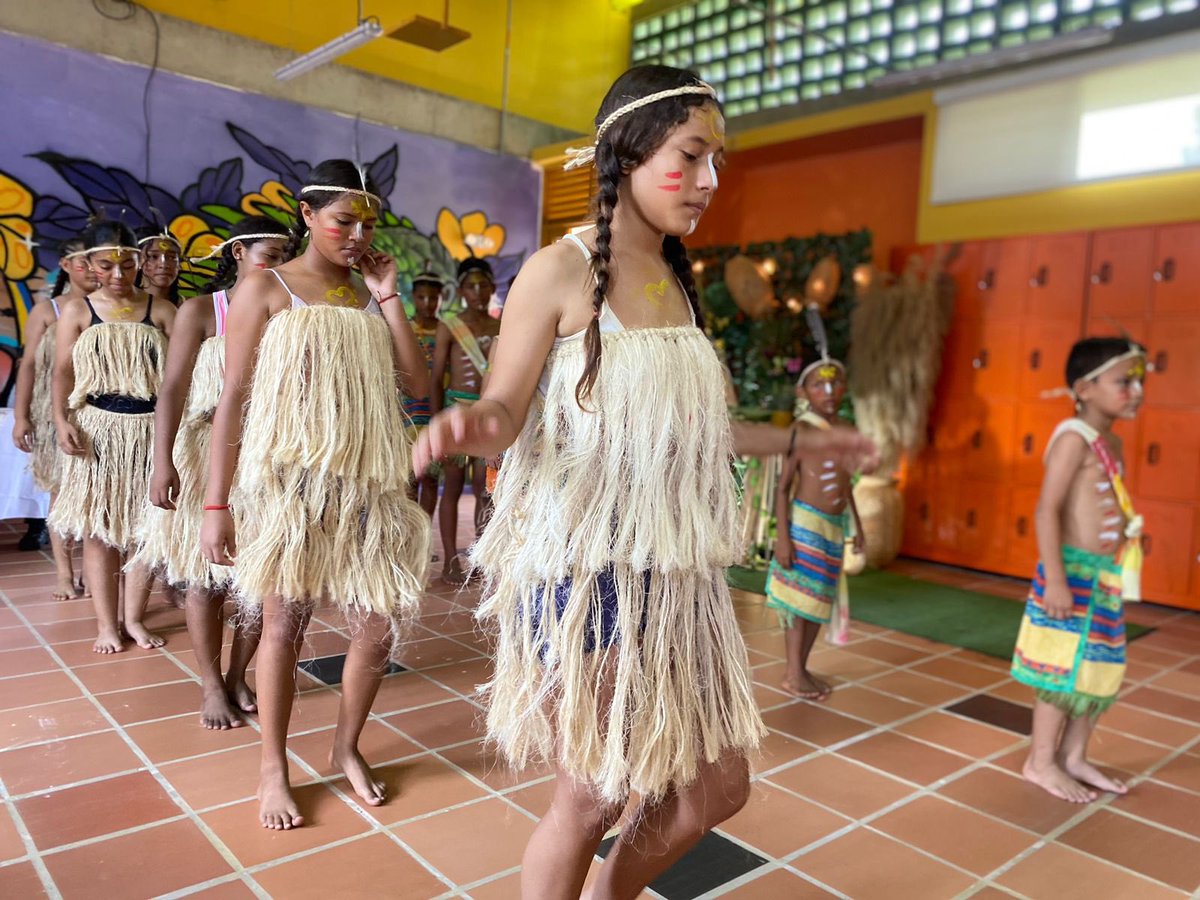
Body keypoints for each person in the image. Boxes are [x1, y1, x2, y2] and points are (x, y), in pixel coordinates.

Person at [413, 66, 876, 900]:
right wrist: (464, 427)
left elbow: (705, 434)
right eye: (692, 155)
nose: (709, 182)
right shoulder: (557, 271)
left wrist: (810, 439)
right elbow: (503, 410)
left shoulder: (677, 279)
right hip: (587, 571)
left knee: (716, 788)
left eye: (717, 162)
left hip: (674, 575)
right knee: (591, 794)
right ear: (628, 152)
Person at [200, 160, 431, 830]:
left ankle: (345, 746)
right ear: (306, 216)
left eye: (368, 223)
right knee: (283, 626)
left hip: (369, 484)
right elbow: (233, 400)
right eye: (342, 221)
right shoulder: (266, 287)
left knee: (380, 622)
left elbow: (414, 383)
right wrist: (217, 503)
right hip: (289, 486)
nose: (357, 234)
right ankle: (273, 766)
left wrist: (387, 292)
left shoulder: (368, 293)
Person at [134, 216, 291, 729]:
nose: (281, 263)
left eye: (287, 253)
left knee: (259, 580)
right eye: (271, 252)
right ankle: (209, 683)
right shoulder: (203, 311)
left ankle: (238, 673)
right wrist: (163, 461)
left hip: (267, 458)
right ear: (238, 253)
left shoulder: (289, 309)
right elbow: (173, 388)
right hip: (206, 454)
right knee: (207, 577)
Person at [1011, 337, 1147, 803]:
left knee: (1096, 670)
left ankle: (1073, 755)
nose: (1135, 390)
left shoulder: (1111, 441)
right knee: (1060, 670)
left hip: (1103, 577)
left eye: (1138, 380)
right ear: (1085, 387)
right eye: (1123, 381)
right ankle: (1041, 761)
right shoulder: (1073, 437)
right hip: (1069, 576)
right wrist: (1057, 581)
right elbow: (1047, 510)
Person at [50, 220, 176, 653]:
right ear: (89, 265)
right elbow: (62, 372)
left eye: (128, 264)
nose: (120, 275)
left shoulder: (159, 309)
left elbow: (183, 377)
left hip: (149, 428)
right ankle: (107, 624)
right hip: (96, 429)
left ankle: (134, 618)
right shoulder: (78, 311)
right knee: (100, 530)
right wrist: (61, 419)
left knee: (147, 527)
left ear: (138, 262)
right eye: (108, 265)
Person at [767, 352, 865, 701]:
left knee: (818, 601)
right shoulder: (801, 431)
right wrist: (783, 539)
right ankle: (793, 673)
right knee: (798, 602)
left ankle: (802, 668)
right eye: (819, 384)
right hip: (804, 526)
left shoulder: (845, 431)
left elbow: (846, 483)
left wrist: (858, 529)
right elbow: (782, 487)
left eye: (835, 382)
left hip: (833, 528)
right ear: (802, 392)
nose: (828, 390)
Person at [12, 235, 93, 601]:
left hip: (97, 413)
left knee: (95, 497)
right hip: (54, 413)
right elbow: (27, 365)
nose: (92, 270)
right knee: (60, 495)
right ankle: (64, 573)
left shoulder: (110, 308)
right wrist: (20, 416)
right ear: (66, 265)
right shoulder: (49, 311)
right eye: (84, 262)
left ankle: (96, 573)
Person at [430, 257, 501, 582]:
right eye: (470, 286)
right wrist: (434, 422)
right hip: (456, 411)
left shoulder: (502, 326)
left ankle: (481, 558)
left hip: (487, 415)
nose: (477, 292)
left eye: (482, 285)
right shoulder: (450, 324)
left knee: (484, 488)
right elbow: (436, 377)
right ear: (460, 290)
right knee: (453, 487)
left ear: (492, 288)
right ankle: (449, 562)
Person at [404, 269, 443, 517]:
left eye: (433, 298)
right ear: (414, 297)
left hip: (435, 411)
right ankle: (408, 539)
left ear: (440, 297)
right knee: (409, 479)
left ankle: (425, 537)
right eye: (421, 297)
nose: (427, 304)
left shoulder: (446, 330)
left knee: (430, 478)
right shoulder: (404, 328)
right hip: (406, 411)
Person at [137, 227, 183, 306]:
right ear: (138, 261)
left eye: (172, 257)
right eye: (154, 256)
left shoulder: (191, 308)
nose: (164, 265)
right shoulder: (125, 307)